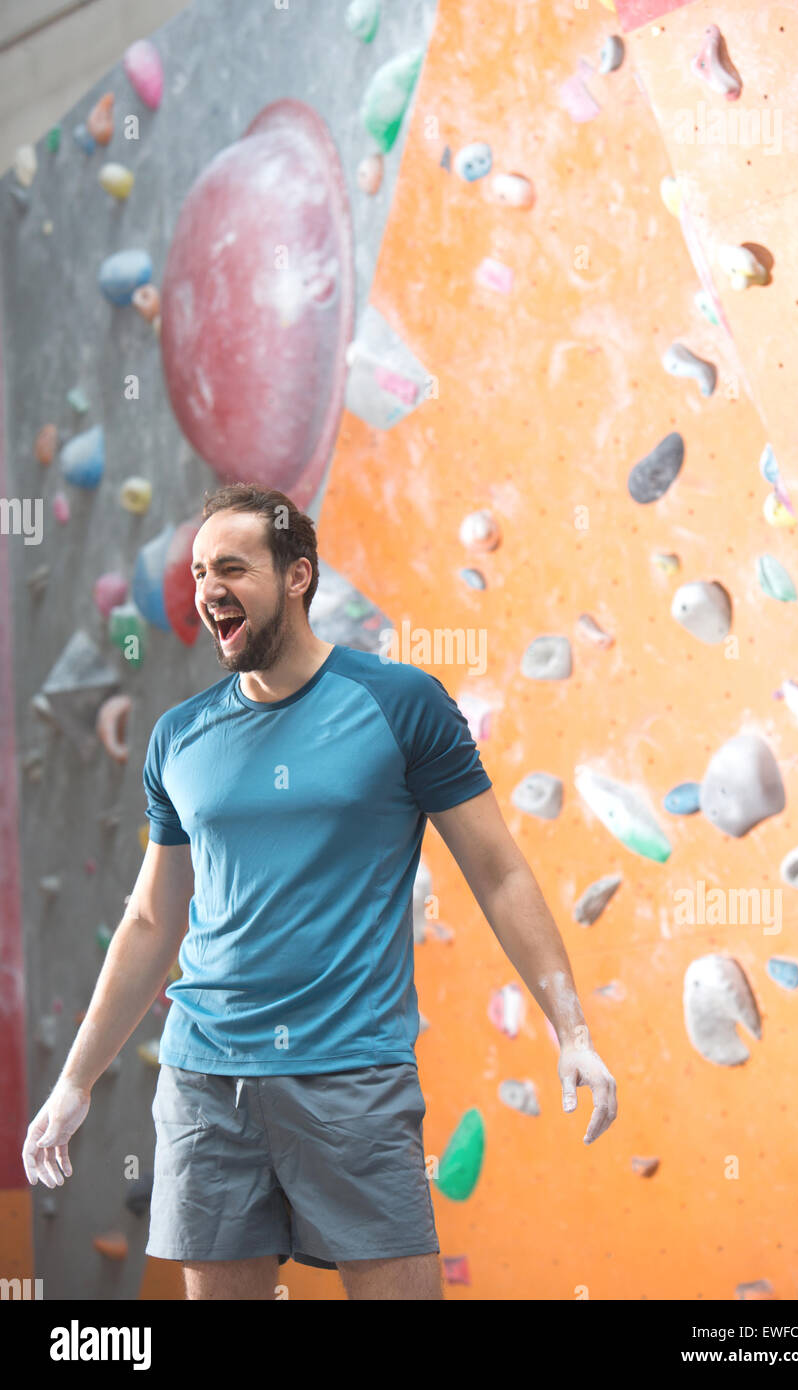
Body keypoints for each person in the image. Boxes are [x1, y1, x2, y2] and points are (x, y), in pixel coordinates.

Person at [22, 483, 617, 1301]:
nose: (207, 589)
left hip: (352, 1079)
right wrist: (75, 1081)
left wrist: (571, 1026)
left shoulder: (399, 704)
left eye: (231, 567)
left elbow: (500, 872)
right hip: (205, 1083)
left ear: (298, 575)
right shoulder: (180, 736)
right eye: (199, 572)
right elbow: (152, 918)